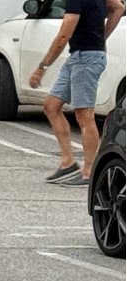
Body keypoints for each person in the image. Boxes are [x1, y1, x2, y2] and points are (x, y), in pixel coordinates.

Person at [29, 0, 125, 186]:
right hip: (78, 56)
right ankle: (68, 163)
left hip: (87, 59)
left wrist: (42, 67)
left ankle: (89, 172)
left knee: (84, 115)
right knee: (51, 106)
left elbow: (64, 35)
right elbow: (119, 7)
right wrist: (102, 37)